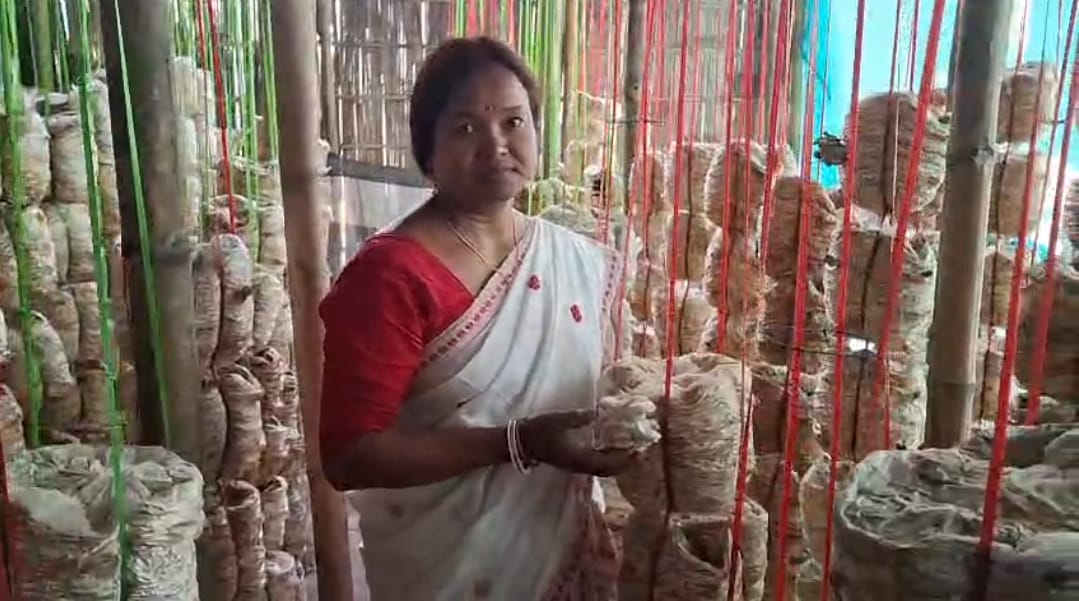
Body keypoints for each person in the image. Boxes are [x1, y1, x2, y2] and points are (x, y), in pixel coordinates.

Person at [319, 36, 635, 601]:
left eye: (514, 122)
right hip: (448, 569)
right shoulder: (390, 275)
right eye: (466, 128)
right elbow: (350, 455)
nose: (496, 146)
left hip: (559, 547)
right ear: (428, 152)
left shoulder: (573, 257)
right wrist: (517, 442)